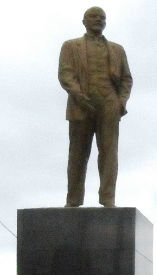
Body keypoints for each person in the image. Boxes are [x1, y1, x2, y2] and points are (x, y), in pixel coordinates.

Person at [59, 6, 133, 208]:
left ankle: (108, 198)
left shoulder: (117, 50)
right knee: (77, 153)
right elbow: (65, 74)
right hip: (81, 104)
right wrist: (77, 94)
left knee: (109, 153)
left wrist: (120, 102)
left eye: (102, 17)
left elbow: (126, 79)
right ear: (84, 21)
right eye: (93, 17)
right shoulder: (70, 46)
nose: (98, 20)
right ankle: (73, 200)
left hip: (109, 104)